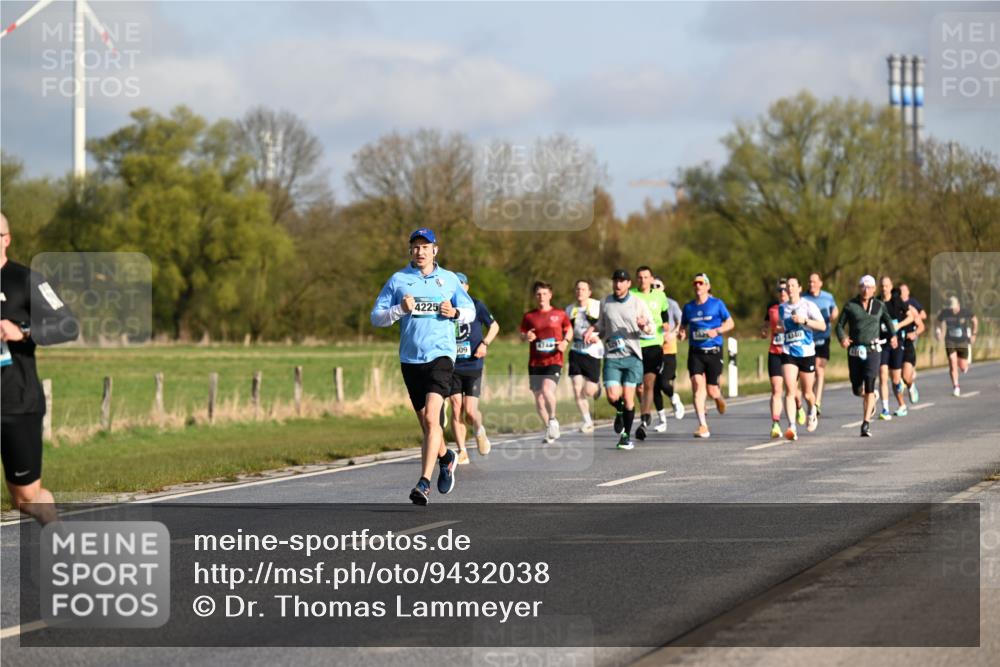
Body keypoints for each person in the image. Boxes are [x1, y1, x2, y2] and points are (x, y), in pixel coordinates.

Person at [371, 227, 475, 505]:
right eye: (415, 247)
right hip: (410, 359)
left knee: (432, 419)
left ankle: (423, 483)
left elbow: (470, 312)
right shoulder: (398, 280)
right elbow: (376, 317)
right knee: (427, 425)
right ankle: (446, 456)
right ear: (410, 251)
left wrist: (454, 312)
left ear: (435, 250)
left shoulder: (449, 279)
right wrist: (399, 310)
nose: (420, 252)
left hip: (441, 356)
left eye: (425, 247)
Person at [1, 211, 79, 525]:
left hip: (16, 402)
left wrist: (23, 331)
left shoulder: (26, 279)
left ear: (6, 239)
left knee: (27, 498)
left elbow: (68, 325)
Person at [584, 269, 654, 450]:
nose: (618, 284)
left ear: (629, 284)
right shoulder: (605, 302)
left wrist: (643, 325)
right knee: (613, 396)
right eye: (616, 281)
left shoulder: (638, 303)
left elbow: (651, 329)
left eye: (622, 281)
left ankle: (625, 437)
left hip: (632, 356)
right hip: (612, 356)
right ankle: (619, 411)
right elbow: (601, 325)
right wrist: (593, 331)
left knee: (630, 399)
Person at [835, 275, 898, 438]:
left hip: (873, 349)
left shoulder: (878, 305)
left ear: (874, 290)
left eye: (869, 287)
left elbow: (888, 321)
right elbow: (840, 325)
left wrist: (893, 336)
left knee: (870, 382)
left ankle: (865, 423)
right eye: (863, 286)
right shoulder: (851, 305)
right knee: (857, 387)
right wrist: (842, 338)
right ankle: (871, 397)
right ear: (859, 288)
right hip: (855, 350)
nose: (866, 290)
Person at [448, 273, 500, 464]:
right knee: (455, 407)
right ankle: (462, 450)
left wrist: (485, 343)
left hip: (473, 363)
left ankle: (479, 430)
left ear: (467, 287)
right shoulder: (445, 306)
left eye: (460, 284)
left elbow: (494, 326)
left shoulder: (477, 305)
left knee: (470, 411)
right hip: (452, 364)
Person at [679, 273, 735, 439]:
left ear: (707, 286)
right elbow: (683, 326)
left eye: (701, 283)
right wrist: (682, 333)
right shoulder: (688, 308)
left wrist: (716, 330)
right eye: (695, 283)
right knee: (697, 385)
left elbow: (730, 323)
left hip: (713, 351)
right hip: (696, 352)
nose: (698, 286)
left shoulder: (717, 304)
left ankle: (718, 397)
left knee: (711, 390)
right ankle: (703, 425)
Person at [520, 281, 573, 444]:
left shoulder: (560, 314)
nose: (541, 297)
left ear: (550, 295)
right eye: (538, 294)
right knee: (539, 399)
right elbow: (522, 335)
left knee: (546, 390)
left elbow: (569, 329)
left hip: (554, 360)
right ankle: (549, 429)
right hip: (536, 362)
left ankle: (553, 419)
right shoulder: (529, 316)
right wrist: (527, 336)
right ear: (535, 296)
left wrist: (565, 341)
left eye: (544, 294)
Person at [778, 277, 826, 441]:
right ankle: (792, 426)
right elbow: (780, 325)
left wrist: (804, 320)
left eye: (793, 286)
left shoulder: (808, 305)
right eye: (787, 287)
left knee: (807, 394)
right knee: (790, 391)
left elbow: (823, 326)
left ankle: (812, 410)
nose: (789, 289)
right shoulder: (782, 308)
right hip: (788, 352)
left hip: (806, 353)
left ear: (799, 288)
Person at [630, 266, 672, 440]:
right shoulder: (631, 295)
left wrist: (666, 325)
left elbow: (665, 314)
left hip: (654, 344)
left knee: (648, 383)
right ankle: (645, 411)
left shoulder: (659, 296)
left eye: (646, 277)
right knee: (636, 386)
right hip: (634, 344)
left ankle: (644, 421)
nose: (643, 280)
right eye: (639, 277)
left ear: (651, 279)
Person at [565, 279, 602, 434]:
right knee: (576, 388)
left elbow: (606, 324)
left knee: (588, 391)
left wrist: (597, 335)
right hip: (576, 350)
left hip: (593, 350)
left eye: (583, 289)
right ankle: (587, 421)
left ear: (589, 292)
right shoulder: (570, 309)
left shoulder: (597, 306)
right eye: (577, 289)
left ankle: (597, 387)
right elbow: (567, 329)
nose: (580, 292)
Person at [876, 277, 917, 419]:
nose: (884, 288)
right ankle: (885, 409)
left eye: (886, 286)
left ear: (891, 286)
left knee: (896, 379)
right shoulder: (876, 302)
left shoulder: (896, 300)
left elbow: (910, 317)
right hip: (882, 343)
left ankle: (903, 400)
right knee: (882, 375)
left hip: (897, 342)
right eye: (882, 286)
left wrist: (898, 326)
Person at [652, 276, 685, 430]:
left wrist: (675, 332)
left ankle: (674, 399)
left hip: (668, 349)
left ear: (664, 287)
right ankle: (662, 420)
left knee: (664, 382)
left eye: (658, 285)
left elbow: (681, 322)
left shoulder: (671, 304)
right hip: (652, 349)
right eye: (652, 286)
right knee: (654, 386)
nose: (655, 288)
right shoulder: (646, 303)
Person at [803, 273, 839, 416]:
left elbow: (835, 309)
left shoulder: (828, 297)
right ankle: (809, 396)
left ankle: (817, 402)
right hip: (808, 338)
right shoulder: (804, 298)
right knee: (809, 373)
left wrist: (833, 315)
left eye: (814, 282)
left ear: (820, 283)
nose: (811, 284)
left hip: (823, 337)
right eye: (809, 282)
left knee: (819, 368)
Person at [761, 279, 789, 438]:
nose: (783, 293)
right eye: (780, 290)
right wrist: (764, 331)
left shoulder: (794, 307)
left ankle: (798, 407)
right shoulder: (771, 307)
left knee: (793, 390)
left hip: (791, 352)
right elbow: (765, 324)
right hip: (775, 351)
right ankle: (776, 424)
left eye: (785, 290)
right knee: (776, 389)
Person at [936, 296, 977, 397]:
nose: (952, 309)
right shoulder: (945, 312)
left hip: (962, 341)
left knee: (963, 367)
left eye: (954, 307)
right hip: (950, 341)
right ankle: (956, 386)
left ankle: (964, 363)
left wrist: (974, 334)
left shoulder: (965, 312)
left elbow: (975, 320)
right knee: (952, 361)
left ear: (958, 305)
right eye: (951, 307)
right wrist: (938, 331)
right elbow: (937, 321)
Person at [898, 282, 927, 403]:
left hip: (908, 343)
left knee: (905, 377)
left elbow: (921, 326)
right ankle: (901, 405)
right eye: (899, 292)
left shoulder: (912, 308)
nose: (901, 294)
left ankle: (910, 385)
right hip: (895, 344)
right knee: (895, 376)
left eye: (904, 291)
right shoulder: (893, 307)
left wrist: (914, 334)